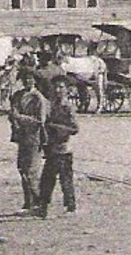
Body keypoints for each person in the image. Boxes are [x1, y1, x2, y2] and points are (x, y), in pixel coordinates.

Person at [35, 77, 80, 217]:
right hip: (52, 148)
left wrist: (55, 127)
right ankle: (43, 207)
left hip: (64, 149)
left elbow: (74, 128)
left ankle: (70, 207)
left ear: (67, 90)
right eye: (55, 87)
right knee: (47, 180)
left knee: (65, 180)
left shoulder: (68, 107)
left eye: (61, 87)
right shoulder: (51, 105)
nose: (58, 90)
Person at [7, 68, 50, 214]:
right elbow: (13, 115)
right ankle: (29, 202)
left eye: (30, 79)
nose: (28, 81)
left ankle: (38, 203)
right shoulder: (18, 96)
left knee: (31, 171)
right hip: (22, 138)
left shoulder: (38, 98)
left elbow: (40, 121)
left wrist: (19, 117)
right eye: (25, 79)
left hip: (35, 138)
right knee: (22, 169)